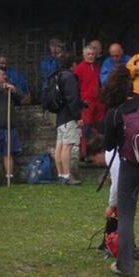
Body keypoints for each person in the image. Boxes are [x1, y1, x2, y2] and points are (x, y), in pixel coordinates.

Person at [101, 66, 139, 277]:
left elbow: (109, 145)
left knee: (126, 216)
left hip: (130, 165)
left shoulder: (114, 112)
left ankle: (125, 265)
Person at [52, 52, 84, 185]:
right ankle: (66, 175)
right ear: (73, 64)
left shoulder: (57, 76)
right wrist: (78, 117)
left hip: (60, 116)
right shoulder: (70, 77)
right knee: (68, 146)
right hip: (69, 116)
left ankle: (60, 174)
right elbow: (73, 99)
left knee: (59, 146)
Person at [73, 45, 106, 161]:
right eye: (88, 54)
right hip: (87, 101)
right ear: (84, 55)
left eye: (92, 54)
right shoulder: (79, 68)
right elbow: (75, 86)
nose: (91, 56)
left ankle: (99, 153)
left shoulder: (98, 67)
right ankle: (84, 154)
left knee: (100, 127)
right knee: (85, 128)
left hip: (98, 101)